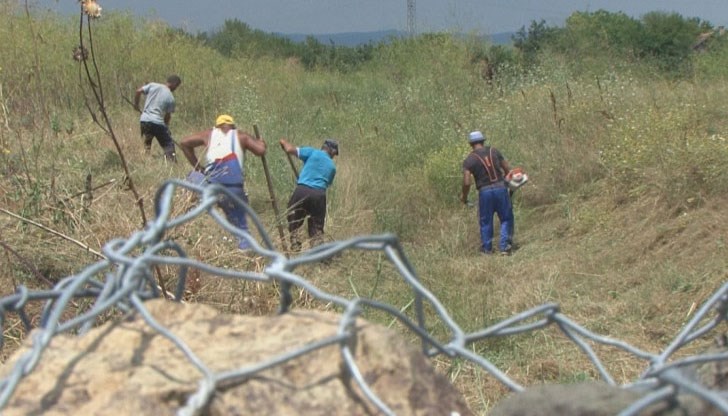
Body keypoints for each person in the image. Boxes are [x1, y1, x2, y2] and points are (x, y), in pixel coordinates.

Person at [179, 114, 267, 250]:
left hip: (210, 184)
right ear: (233, 126)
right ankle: (246, 249)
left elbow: (184, 143)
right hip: (233, 186)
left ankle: (192, 209)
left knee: (192, 176)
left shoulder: (209, 134)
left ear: (217, 126)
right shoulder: (241, 135)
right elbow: (260, 150)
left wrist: (199, 168)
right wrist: (261, 142)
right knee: (241, 227)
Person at [460, 130, 515, 255]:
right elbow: (507, 169)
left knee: (486, 221)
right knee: (506, 218)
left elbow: (467, 182)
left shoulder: (469, 160)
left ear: (470, 144)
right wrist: (509, 184)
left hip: (484, 193)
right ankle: (505, 247)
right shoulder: (494, 151)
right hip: (501, 188)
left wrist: (464, 196)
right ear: (483, 141)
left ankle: (487, 250)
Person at [279, 138, 338, 251]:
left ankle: (294, 240)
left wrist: (283, 142)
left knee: (293, 217)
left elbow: (289, 148)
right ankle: (317, 251)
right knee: (317, 226)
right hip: (319, 194)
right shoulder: (332, 167)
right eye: (335, 154)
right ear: (332, 151)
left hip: (302, 191)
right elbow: (327, 183)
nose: (334, 156)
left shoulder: (311, 152)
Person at [134, 74, 182, 161]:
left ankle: (145, 161)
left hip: (145, 120)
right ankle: (172, 163)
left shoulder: (153, 85)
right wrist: (166, 128)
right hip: (158, 123)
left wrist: (136, 105)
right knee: (168, 144)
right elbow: (167, 117)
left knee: (147, 143)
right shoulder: (171, 98)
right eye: (177, 86)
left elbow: (138, 91)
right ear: (174, 84)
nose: (176, 88)